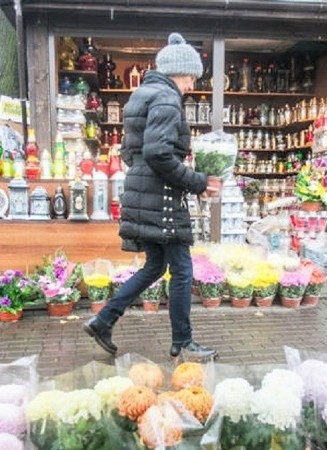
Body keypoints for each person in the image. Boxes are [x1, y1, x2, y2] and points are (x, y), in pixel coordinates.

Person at [84, 32, 222, 359]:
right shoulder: (166, 98)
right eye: (191, 78)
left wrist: (159, 173)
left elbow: (132, 154)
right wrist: (198, 181)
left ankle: (104, 319)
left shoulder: (141, 95)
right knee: (182, 270)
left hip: (143, 193)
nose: (190, 85)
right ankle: (183, 342)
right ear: (180, 72)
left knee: (155, 266)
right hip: (161, 200)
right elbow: (159, 154)